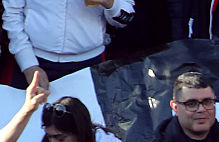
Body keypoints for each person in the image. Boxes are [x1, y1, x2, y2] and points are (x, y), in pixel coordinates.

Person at [3, 0, 134, 89]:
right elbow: (12, 14)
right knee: (27, 124)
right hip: (35, 60)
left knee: (89, 126)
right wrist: (28, 65)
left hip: (89, 64)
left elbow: (125, 17)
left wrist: (109, 3)